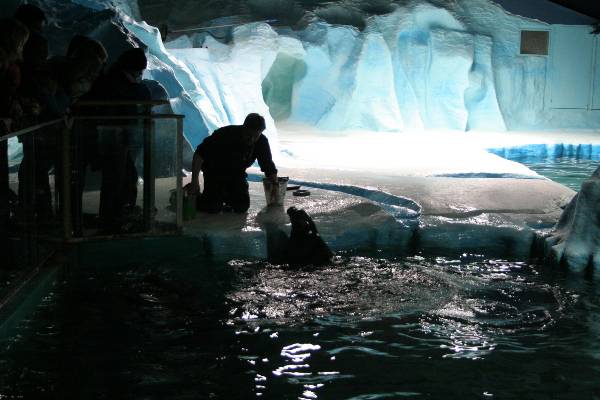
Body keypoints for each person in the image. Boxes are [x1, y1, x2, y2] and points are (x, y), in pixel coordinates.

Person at [87, 47, 152, 232]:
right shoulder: (116, 83)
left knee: (122, 177)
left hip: (116, 137)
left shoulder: (112, 79)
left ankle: (116, 215)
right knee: (118, 179)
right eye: (138, 71)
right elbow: (139, 95)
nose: (140, 75)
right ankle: (114, 218)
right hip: (113, 138)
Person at [187, 113, 277, 213]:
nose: (251, 139)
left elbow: (268, 165)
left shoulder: (261, 142)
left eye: (255, 136)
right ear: (243, 128)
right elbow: (199, 154)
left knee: (241, 207)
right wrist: (194, 181)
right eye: (248, 135)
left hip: (236, 173)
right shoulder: (225, 134)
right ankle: (191, 195)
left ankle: (225, 196)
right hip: (215, 171)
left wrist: (275, 186)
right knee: (212, 207)